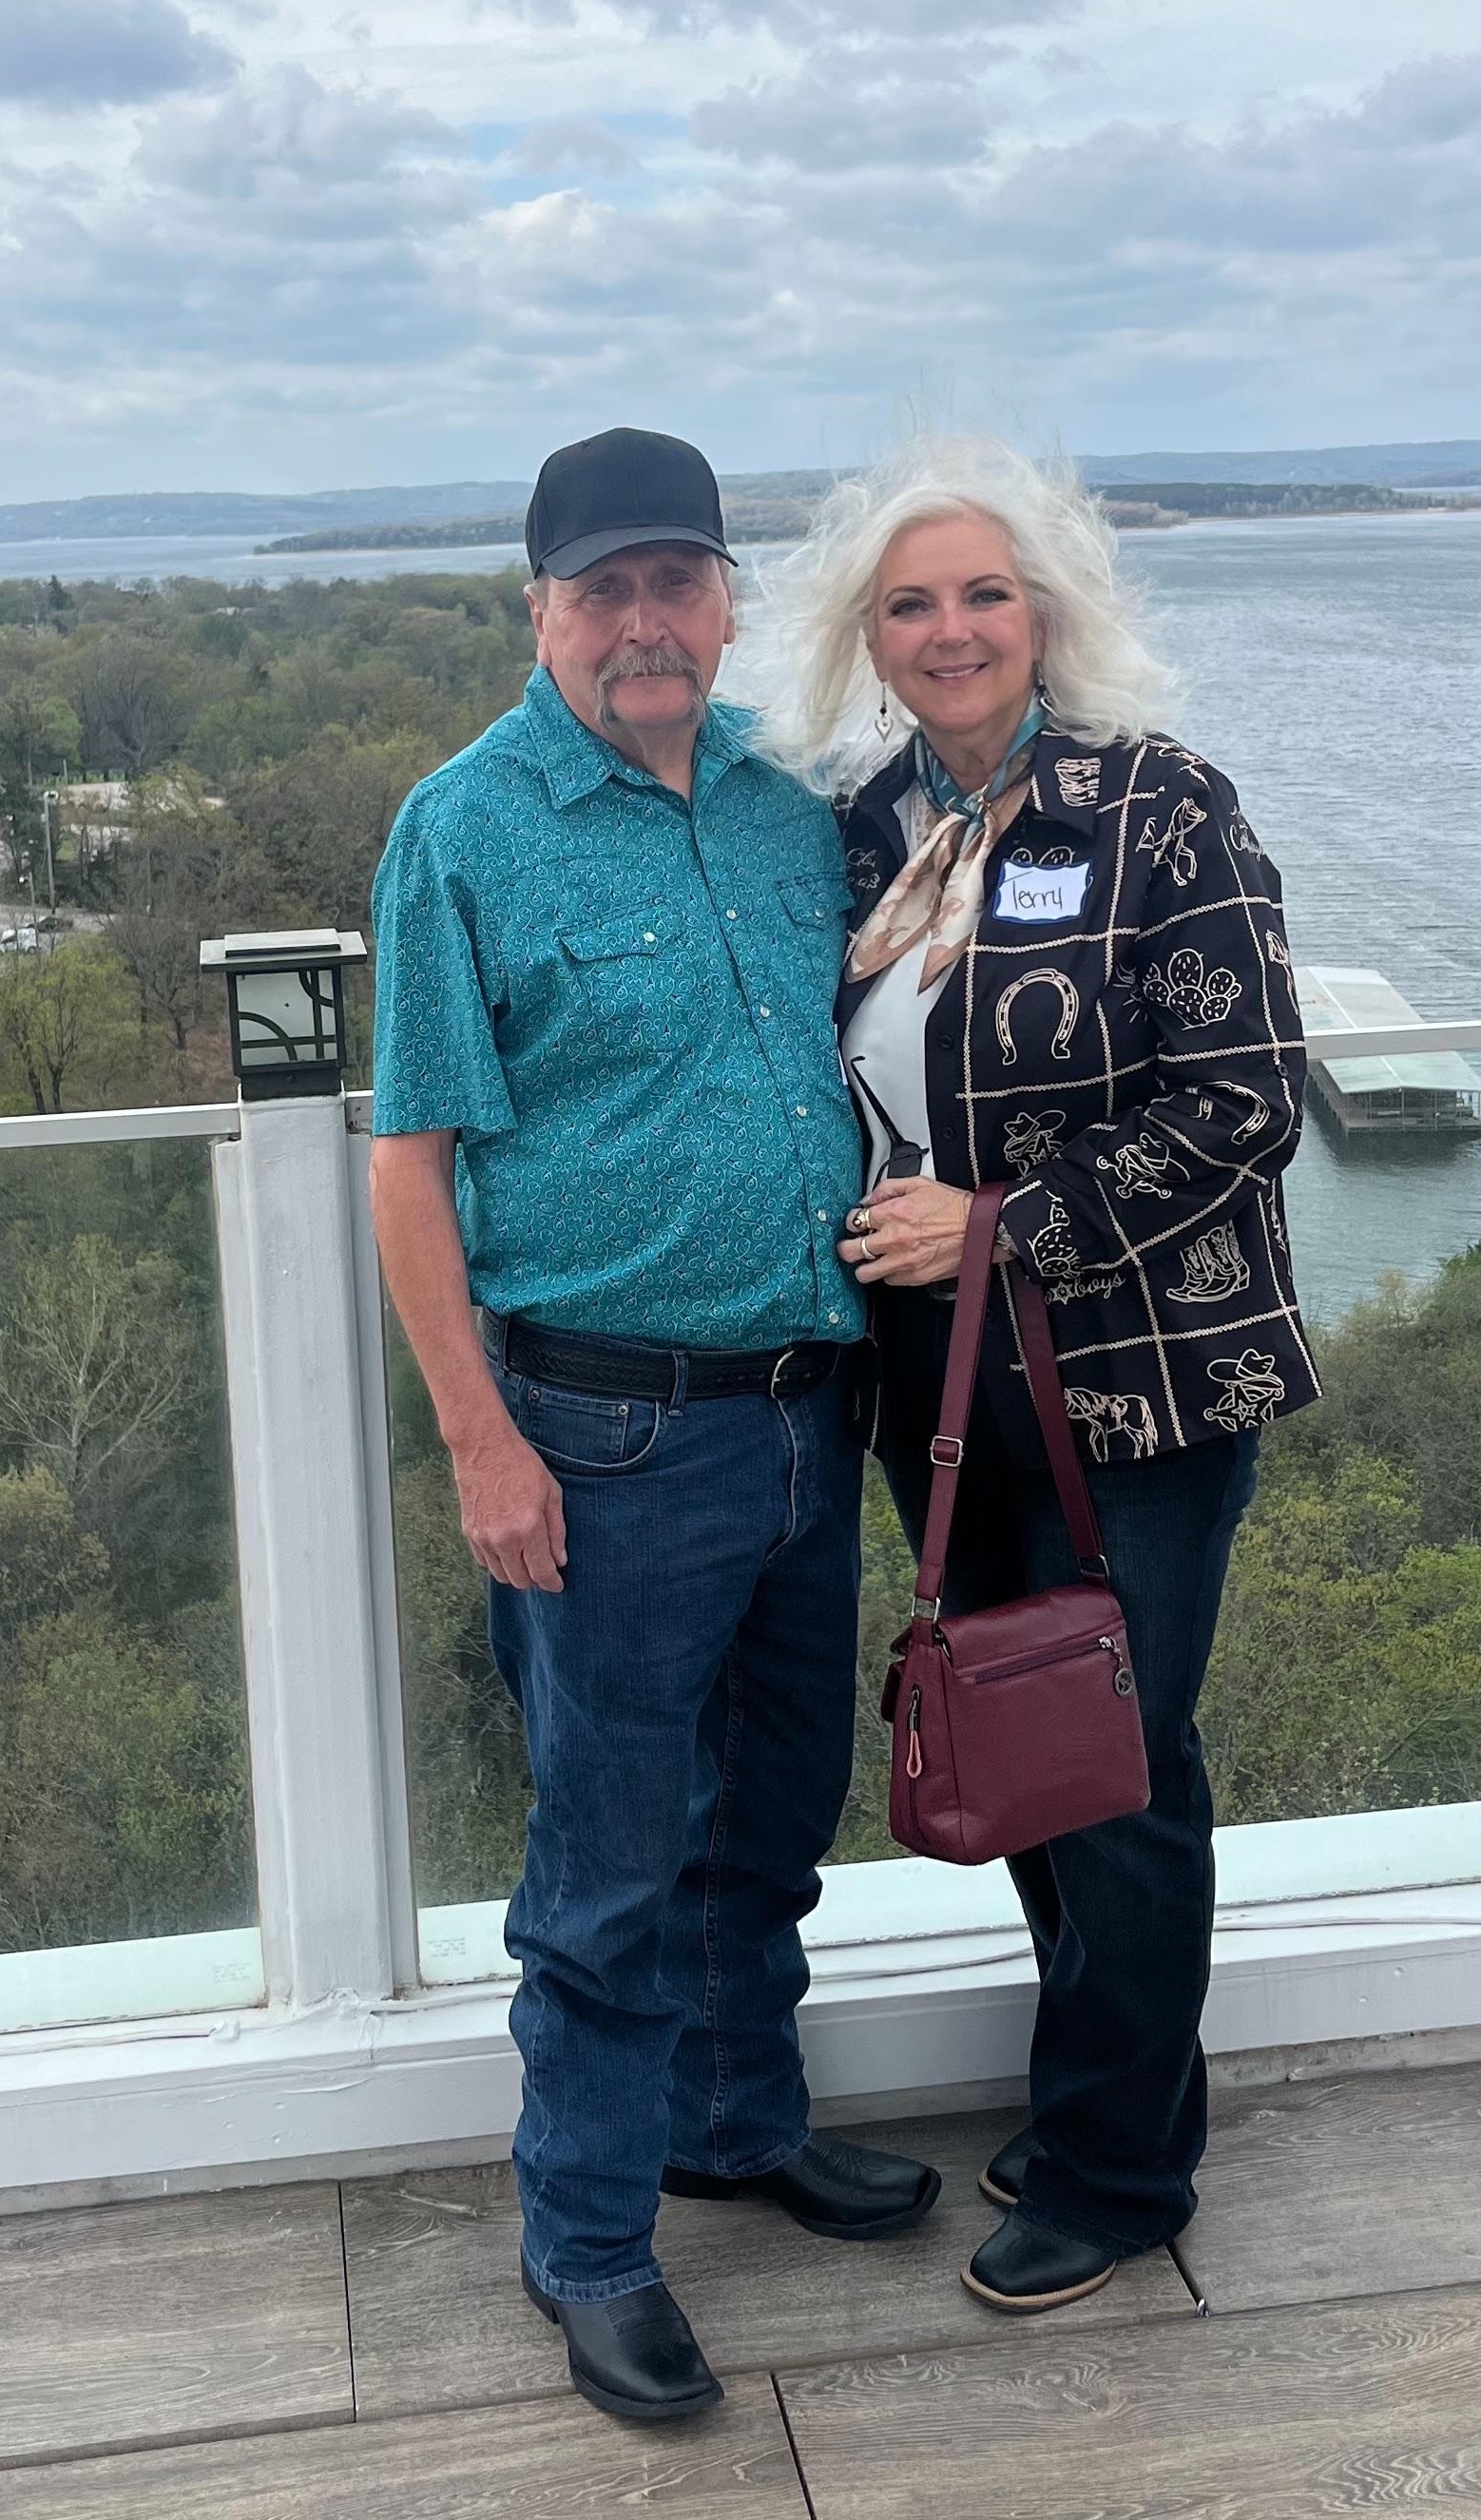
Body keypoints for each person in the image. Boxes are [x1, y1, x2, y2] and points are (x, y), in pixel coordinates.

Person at [369, 426, 939, 2430]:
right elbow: (412, 1168)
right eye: (600, 589)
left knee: (771, 1821)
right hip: (602, 1439)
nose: (643, 621)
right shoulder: (466, 827)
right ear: (539, 610)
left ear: (720, 594)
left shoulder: (790, 809)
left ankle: (733, 2118)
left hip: (807, 1413)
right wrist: (476, 1440)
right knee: (609, 1868)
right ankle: (590, 2236)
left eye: (674, 580)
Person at [766, 434, 1316, 2315]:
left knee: (1121, 1762)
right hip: (932, 1377)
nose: (951, 629)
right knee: (1020, 1728)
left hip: (1133, 1376)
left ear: (1048, 612)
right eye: (910, 603)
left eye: (985, 592)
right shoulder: (862, 832)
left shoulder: (1157, 809)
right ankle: (1122, 2081)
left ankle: (1119, 2163)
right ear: (870, 635)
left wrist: (1006, 1223)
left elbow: (1245, 1102)